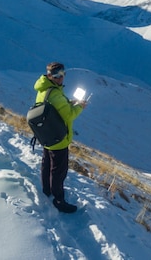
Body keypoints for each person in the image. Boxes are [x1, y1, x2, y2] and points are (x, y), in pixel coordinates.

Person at [33, 61, 86, 213]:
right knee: (58, 171)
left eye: (62, 74)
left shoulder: (44, 89)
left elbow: (56, 108)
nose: (60, 78)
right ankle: (59, 200)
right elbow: (69, 115)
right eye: (56, 76)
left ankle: (47, 190)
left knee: (47, 164)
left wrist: (69, 102)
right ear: (49, 75)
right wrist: (80, 106)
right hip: (58, 139)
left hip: (46, 135)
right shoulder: (55, 94)